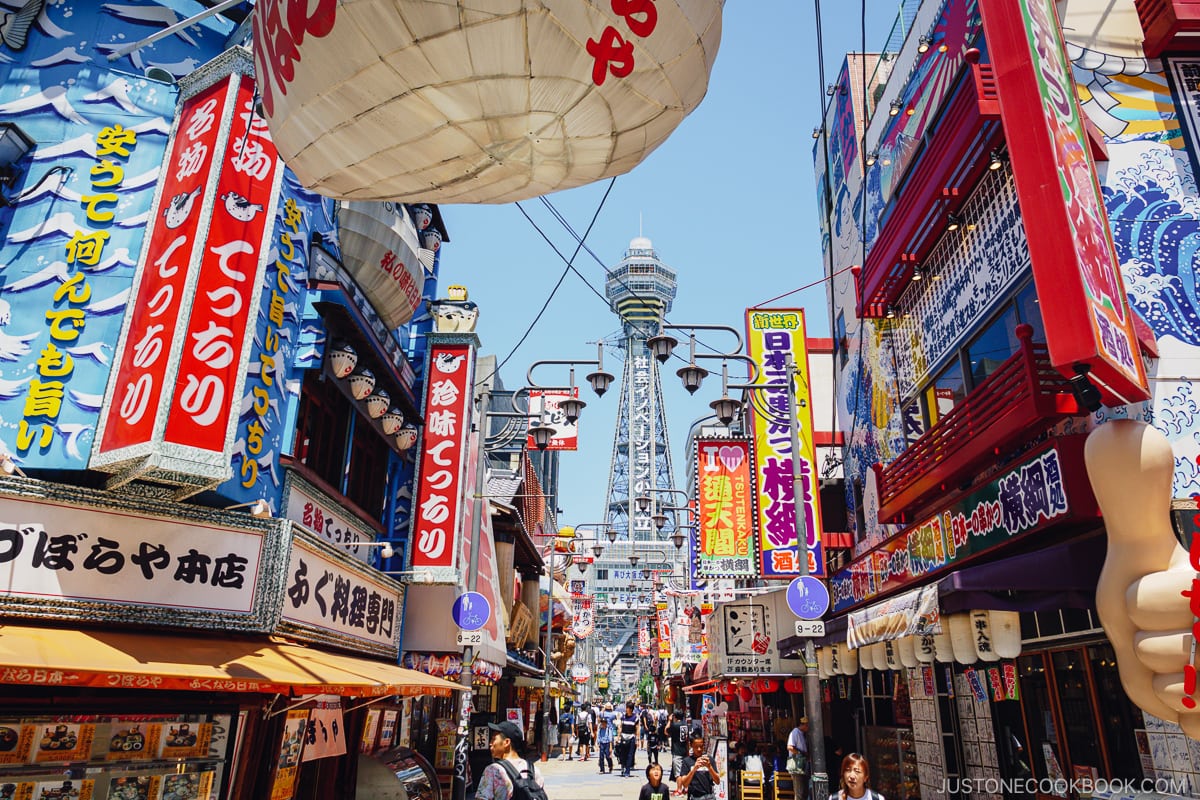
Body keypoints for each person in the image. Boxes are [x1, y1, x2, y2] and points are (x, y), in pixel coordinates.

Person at [475, 721, 544, 800]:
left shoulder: (493, 770)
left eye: (493, 739)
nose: (490, 743)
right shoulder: (534, 770)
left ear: (506, 742)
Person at [678, 736, 722, 800]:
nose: (699, 749)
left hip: (709, 796)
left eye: (701, 746)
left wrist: (709, 767)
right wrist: (694, 769)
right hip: (695, 796)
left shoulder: (709, 759)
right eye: (696, 747)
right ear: (691, 745)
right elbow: (684, 784)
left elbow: (717, 781)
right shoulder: (686, 761)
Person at [666, 711, 690, 784]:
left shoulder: (675, 725)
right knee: (684, 772)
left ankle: (679, 789)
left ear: (674, 717)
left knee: (678, 773)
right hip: (684, 750)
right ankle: (685, 788)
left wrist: (669, 721)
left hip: (677, 751)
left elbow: (666, 731)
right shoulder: (685, 726)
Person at [618, 701, 641, 777]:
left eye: (627, 708)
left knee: (630, 754)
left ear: (631, 709)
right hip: (623, 737)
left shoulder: (635, 718)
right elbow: (620, 727)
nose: (626, 709)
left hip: (631, 737)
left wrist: (637, 740)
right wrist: (618, 737)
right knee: (623, 754)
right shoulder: (623, 717)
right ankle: (623, 767)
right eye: (626, 708)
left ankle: (627, 771)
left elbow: (637, 729)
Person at [597, 701, 617, 774]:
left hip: (607, 737)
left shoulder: (602, 713)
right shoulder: (612, 714)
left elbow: (598, 717)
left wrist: (603, 709)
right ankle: (602, 769)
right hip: (608, 734)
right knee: (603, 756)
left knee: (607, 755)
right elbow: (616, 718)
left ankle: (608, 766)